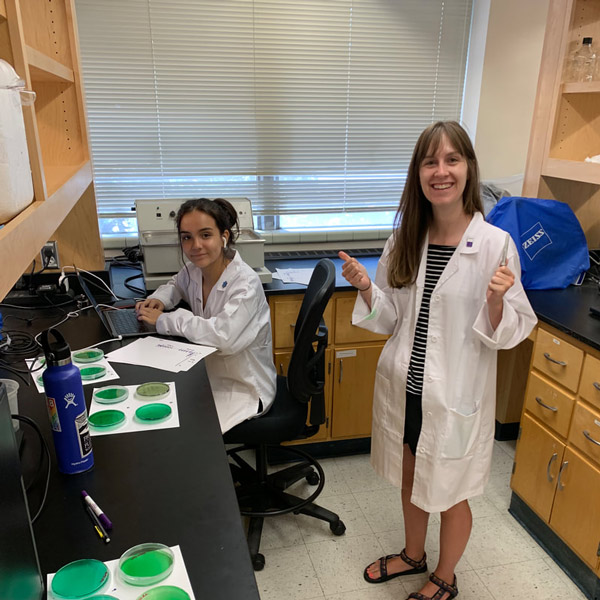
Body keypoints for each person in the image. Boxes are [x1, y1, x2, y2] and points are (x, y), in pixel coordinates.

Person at [338, 121, 537, 600]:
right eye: (430, 161)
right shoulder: (407, 237)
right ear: (418, 173)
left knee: (451, 491)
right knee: (411, 475)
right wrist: (368, 289)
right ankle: (413, 555)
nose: (441, 171)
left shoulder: (494, 244)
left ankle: (445, 577)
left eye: (452, 160)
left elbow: (513, 329)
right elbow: (389, 320)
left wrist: (495, 303)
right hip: (407, 390)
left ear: (468, 169)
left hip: (454, 396)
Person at [136, 198, 277, 433]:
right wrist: (160, 299)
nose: (195, 245)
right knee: (160, 413)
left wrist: (164, 320)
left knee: (186, 433)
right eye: (187, 237)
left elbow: (223, 337)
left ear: (224, 236)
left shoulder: (245, 284)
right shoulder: (195, 270)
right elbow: (176, 285)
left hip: (243, 388)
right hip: (209, 376)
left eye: (205, 235)